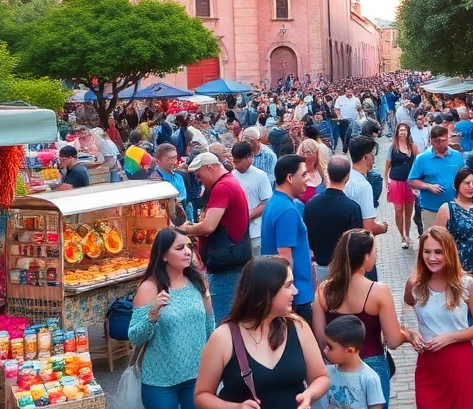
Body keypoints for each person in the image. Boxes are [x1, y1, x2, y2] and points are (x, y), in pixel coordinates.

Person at [194, 256, 329, 409]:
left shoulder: (297, 326)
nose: (295, 291)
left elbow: (321, 377)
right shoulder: (223, 337)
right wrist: (235, 408)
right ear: (266, 291)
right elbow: (201, 395)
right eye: (288, 285)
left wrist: (309, 394)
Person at [313, 230, 409, 408]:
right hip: (373, 365)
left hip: (336, 368)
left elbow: (321, 340)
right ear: (365, 257)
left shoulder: (323, 290)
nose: (375, 256)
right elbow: (394, 340)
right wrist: (407, 335)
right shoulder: (378, 291)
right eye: (374, 252)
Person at [404, 226, 473, 409]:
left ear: (449, 252)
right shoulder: (414, 285)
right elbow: (407, 314)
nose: (432, 258)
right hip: (429, 364)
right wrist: (411, 335)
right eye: (427, 251)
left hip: (460, 362)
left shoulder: (465, 284)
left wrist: (450, 337)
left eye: (438, 252)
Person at [130, 229, 214, 409]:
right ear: (164, 256)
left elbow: (209, 324)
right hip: (160, 381)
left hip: (196, 376)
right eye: (179, 248)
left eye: (189, 246)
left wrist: (214, 362)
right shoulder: (149, 289)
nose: (187, 251)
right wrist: (152, 314)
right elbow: (135, 337)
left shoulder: (199, 281)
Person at [182, 151, 251, 324]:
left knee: (223, 320)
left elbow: (208, 226)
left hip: (226, 264)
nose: (198, 181)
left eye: (199, 176)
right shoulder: (230, 182)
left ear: (210, 168)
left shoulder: (222, 187)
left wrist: (182, 230)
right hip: (233, 261)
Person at [262, 154, 317, 320]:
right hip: (296, 297)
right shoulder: (287, 209)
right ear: (290, 178)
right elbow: (284, 256)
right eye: (303, 174)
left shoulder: (278, 202)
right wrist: (289, 291)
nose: (307, 179)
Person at [434, 167, 473, 288]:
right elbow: (437, 242)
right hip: (458, 269)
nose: (471, 186)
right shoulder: (447, 209)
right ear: (457, 185)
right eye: (467, 183)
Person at [305, 156, 364, 273]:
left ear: (327, 174)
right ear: (347, 176)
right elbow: (357, 242)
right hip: (345, 268)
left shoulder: (311, 204)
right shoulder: (352, 208)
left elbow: (308, 237)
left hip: (321, 265)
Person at [315, 315, 385, 409]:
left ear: (349, 351)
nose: (325, 350)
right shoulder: (326, 372)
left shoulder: (369, 379)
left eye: (330, 347)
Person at [408, 125, 466, 231]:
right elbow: (411, 181)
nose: (440, 144)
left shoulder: (457, 156)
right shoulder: (422, 158)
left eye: (443, 141)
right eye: (436, 141)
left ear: (447, 138)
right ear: (431, 141)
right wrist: (428, 186)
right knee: (434, 239)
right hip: (432, 209)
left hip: (454, 207)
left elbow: (465, 177)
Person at [230, 141, 273, 255]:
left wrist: (246, 216)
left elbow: (266, 202)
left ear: (249, 158)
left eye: (239, 162)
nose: (236, 165)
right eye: (234, 162)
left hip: (256, 233)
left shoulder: (260, 176)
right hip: (237, 234)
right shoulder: (231, 177)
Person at [344, 137, 389, 240]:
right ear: (365, 157)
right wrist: (383, 227)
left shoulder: (346, 177)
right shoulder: (364, 186)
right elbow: (368, 227)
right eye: (372, 153)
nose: (374, 157)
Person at [386, 122, 419, 249]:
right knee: (399, 210)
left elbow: (418, 164)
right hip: (396, 181)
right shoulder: (392, 148)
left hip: (410, 182)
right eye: (400, 130)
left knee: (409, 211)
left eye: (405, 130)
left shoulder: (413, 147)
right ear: (397, 132)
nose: (402, 132)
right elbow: (386, 168)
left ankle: (407, 234)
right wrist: (386, 185)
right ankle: (402, 236)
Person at [150, 144, 190, 221]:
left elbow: (185, 202)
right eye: (170, 159)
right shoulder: (155, 181)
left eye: (175, 158)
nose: (174, 162)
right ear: (158, 160)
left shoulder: (179, 177)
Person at [297, 138, 325, 204]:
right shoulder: (295, 174)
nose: (306, 157)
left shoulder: (324, 173)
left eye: (308, 153)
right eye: (303, 153)